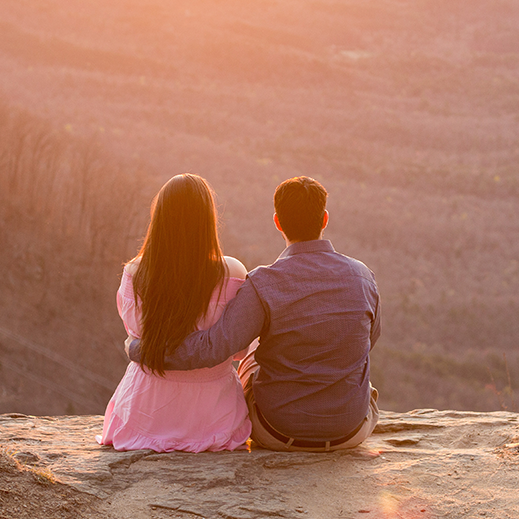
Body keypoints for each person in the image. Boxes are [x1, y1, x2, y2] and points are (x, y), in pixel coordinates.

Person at [128, 176, 380, 451]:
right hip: (351, 432)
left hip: (278, 433)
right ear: (324, 219)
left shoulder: (263, 284)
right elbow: (370, 339)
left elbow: (212, 348)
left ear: (278, 222)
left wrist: (142, 349)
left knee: (253, 348)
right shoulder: (363, 277)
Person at [98, 174, 251, 452]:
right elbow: (237, 350)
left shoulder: (135, 272)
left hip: (144, 413)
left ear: (160, 219)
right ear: (207, 220)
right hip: (214, 417)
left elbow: (138, 338)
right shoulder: (233, 272)